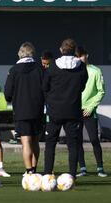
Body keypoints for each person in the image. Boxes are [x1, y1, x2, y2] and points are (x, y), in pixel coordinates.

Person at [43, 38, 88, 179]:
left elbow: (44, 87)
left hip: (54, 110)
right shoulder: (80, 66)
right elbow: (83, 85)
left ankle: (47, 174)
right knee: (73, 144)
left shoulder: (53, 66)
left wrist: (51, 98)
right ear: (74, 51)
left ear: (61, 50)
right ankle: (72, 176)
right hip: (73, 110)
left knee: (50, 144)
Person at [4, 42, 44, 175]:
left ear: (20, 54)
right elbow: (47, 89)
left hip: (21, 110)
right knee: (35, 142)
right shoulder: (40, 69)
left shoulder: (14, 70)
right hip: (37, 110)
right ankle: (35, 169)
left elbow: (8, 94)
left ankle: (29, 171)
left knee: (26, 142)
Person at [75, 46, 107, 177]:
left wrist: (91, 107)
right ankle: (82, 168)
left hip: (89, 110)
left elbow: (101, 91)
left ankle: (100, 168)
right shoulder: (73, 71)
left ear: (86, 55)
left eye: (81, 56)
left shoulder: (95, 71)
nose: (79, 59)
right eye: (77, 56)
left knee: (94, 139)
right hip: (75, 110)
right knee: (77, 141)